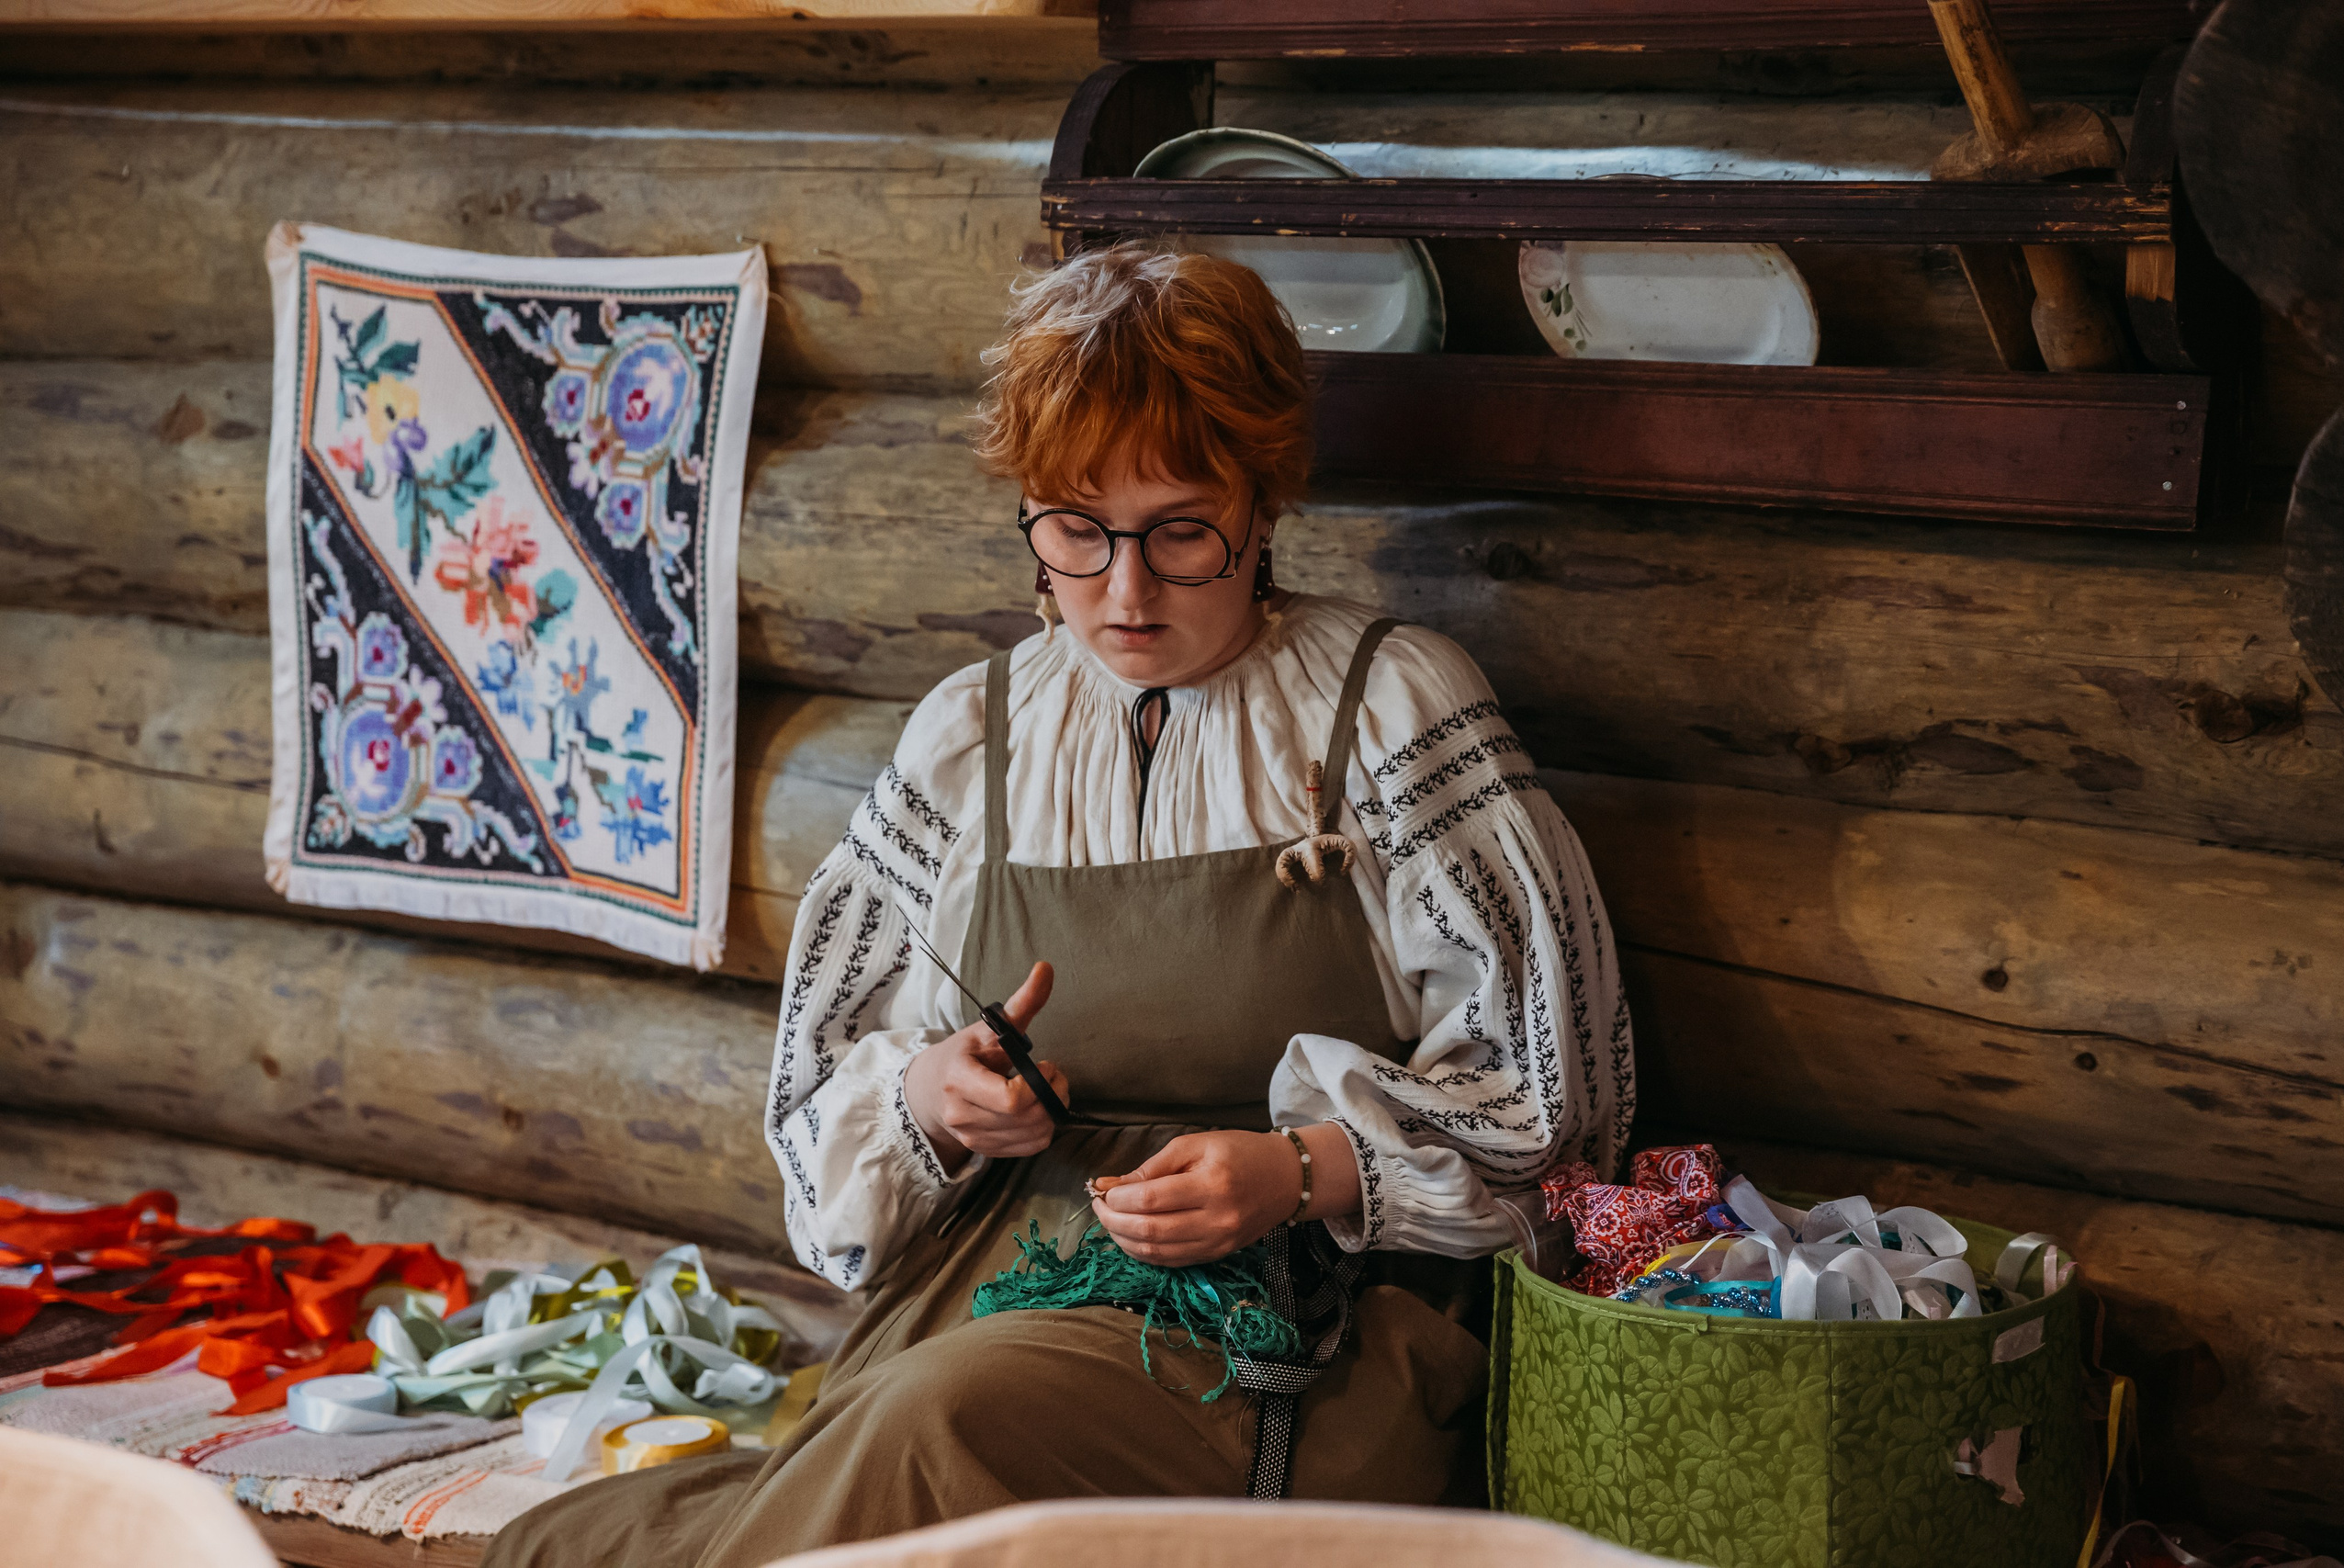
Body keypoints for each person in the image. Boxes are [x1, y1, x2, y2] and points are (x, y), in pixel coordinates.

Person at [484, 243, 1631, 1567]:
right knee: (576, 1542)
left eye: (1181, 532)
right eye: (1077, 533)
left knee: (936, 1429)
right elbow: (822, 1118)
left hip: (1297, 1334)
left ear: (1265, 505)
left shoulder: (1389, 711)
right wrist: (936, 1100)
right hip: (991, 1290)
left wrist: (1301, 1169)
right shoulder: (971, 738)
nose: (1125, 592)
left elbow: (1563, 1112)